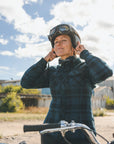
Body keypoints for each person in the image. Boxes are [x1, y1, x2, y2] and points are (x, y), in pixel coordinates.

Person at [21, 24, 113, 144]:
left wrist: (84, 53)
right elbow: (26, 82)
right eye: (56, 42)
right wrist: (44, 60)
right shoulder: (52, 72)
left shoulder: (86, 68)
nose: (58, 44)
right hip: (51, 131)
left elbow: (105, 72)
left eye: (63, 40)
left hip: (81, 133)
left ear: (75, 44)